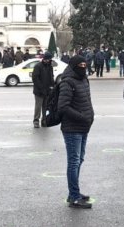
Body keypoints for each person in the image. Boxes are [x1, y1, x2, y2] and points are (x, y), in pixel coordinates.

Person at [58, 55, 95, 209]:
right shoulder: (68, 82)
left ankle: (74, 193)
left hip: (84, 126)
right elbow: (63, 107)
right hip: (72, 128)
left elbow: (86, 100)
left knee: (79, 160)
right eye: (80, 64)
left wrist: (89, 117)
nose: (83, 66)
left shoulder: (83, 79)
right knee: (73, 162)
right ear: (74, 66)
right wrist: (82, 117)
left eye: (84, 64)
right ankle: (74, 196)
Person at [32, 52, 55, 128]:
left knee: (45, 107)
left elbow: (51, 77)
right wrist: (42, 89)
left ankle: (44, 121)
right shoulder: (38, 66)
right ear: (45, 59)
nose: (49, 60)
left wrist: (52, 86)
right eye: (48, 59)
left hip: (47, 91)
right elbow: (35, 79)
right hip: (39, 91)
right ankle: (36, 121)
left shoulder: (50, 66)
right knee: (38, 106)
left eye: (50, 59)